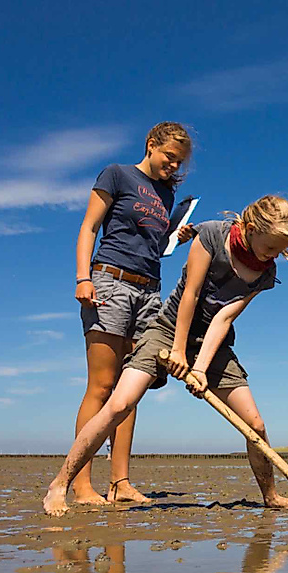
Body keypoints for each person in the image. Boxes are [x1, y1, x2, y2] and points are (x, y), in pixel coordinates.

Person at [44, 196, 288, 516]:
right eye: (270, 247)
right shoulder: (211, 235)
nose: (273, 255)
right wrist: (178, 351)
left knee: (255, 423)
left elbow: (224, 318)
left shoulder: (265, 273)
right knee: (119, 404)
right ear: (251, 229)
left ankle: (271, 495)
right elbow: (190, 295)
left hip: (212, 343)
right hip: (168, 330)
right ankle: (60, 485)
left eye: (280, 250)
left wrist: (199, 369)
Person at [72, 122, 195, 506]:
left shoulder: (166, 194)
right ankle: (80, 484)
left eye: (179, 162)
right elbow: (90, 227)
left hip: (149, 291)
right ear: (151, 145)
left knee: (131, 389)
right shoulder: (117, 174)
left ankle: (120, 483)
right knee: (102, 386)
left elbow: (154, 246)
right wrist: (83, 277)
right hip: (110, 282)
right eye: (169, 157)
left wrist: (175, 237)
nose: (173, 166)